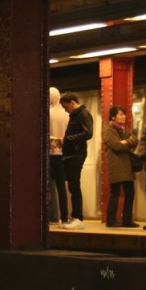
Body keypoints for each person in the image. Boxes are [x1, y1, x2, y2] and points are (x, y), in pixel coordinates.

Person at [59, 92, 92, 230]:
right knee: (73, 186)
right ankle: (75, 217)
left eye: (66, 107)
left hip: (76, 154)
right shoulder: (75, 115)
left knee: (74, 185)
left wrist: (67, 140)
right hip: (71, 154)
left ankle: (78, 218)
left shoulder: (83, 114)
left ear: (72, 103)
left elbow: (88, 133)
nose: (65, 110)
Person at [102, 105, 139, 228]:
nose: (124, 116)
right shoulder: (108, 129)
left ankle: (127, 220)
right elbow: (116, 146)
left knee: (130, 193)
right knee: (115, 193)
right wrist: (128, 143)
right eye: (121, 114)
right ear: (113, 116)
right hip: (116, 165)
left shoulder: (125, 128)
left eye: (124, 114)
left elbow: (135, 140)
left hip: (127, 165)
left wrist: (126, 142)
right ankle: (111, 220)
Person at [48, 87, 69, 225]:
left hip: (50, 154)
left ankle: (53, 215)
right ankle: (65, 216)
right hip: (63, 154)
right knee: (62, 187)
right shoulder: (66, 114)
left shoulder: (47, 113)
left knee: (49, 186)